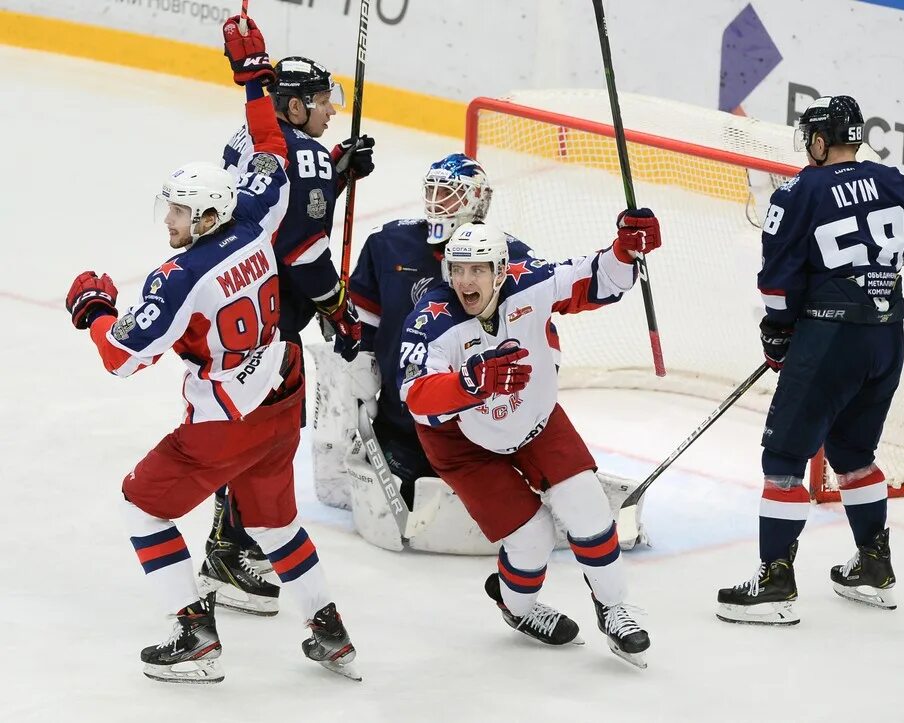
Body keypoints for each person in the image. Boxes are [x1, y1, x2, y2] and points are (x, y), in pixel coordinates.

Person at [63, 17, 360, 683]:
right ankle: (329, 628)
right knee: (277, 523)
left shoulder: (179, 280)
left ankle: (193, 633)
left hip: (225, 420)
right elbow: (272, 149)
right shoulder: (257, 220)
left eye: (177, 212)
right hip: (282, 395)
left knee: (142, 504)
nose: (168, 220)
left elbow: (121, 355)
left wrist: (95, 310)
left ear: (204, 217)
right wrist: (254, 76)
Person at [313, 154, 649, 555]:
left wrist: (539, 377)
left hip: (484, 420)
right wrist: (358, 357)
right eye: (432, 192)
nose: (437, 203)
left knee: (525, 495)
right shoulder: (389, 244)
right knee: (403, 495)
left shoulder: (507, 254)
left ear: (477, 201)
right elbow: (362, 316)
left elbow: (544, 313)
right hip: (405, 419)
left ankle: (552, 518)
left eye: (449, 194)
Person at [716, 95, 904, 625]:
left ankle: (775, 583)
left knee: (784, 459)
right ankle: (875, 567)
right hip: (886, 339)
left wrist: (778, 334)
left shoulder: (798, 190)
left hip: (829, 341)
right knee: (853, 452)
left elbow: (777, 282)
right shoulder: (895, 183)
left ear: (820, 141)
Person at [397, 215, 661, 668]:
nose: (465, 280)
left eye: (477, 269)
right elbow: (416, 398)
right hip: (462, 444)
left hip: (535, 420)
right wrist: (472, 384)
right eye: (457, 269)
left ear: (501, 271)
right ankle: (514, 607)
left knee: (588, 506)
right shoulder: (431, 321)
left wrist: (625, 249)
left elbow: (598, 280)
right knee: (533, 538)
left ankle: (614, 606)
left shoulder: (529, 283)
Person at [199, 33, 376, 614]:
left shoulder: (245, 138)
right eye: (323, 101)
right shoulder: (304, 158)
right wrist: (337, 307)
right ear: (295, 108)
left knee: (250, 430)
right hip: (273, 319)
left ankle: (233, 542)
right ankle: (228, 551)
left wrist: (335, 174)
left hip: (237, 307)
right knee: (263, 436)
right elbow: (302, 249)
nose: (332, 109)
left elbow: (273, 208)